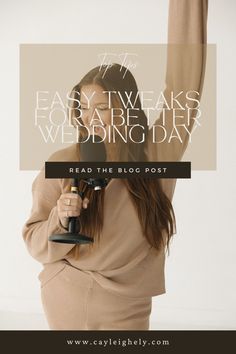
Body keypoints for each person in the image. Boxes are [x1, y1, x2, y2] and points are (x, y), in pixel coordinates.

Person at [22, 0, 208, 330]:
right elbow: (35, 241)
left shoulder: (157, 151)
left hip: (129, 302)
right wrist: (59, 218)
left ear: (126, 108)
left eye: (103, 107)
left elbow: (184, 85)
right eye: (83, 106)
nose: (90, 118)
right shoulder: (63, 162)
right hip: (67, 290)